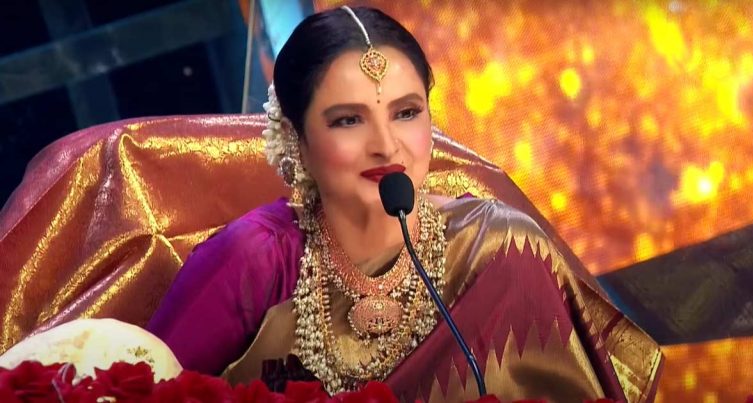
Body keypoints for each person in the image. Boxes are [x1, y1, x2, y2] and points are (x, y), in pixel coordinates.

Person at [147, 5, 662, 402]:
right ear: (296, 140)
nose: (386, 145)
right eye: (348, 120)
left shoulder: (501, 250)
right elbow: (144, 389)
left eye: (406, 113)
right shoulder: (254, 261)